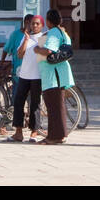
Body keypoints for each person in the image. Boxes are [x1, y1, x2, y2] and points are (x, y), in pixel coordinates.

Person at [35, 9, 74, 144]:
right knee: (58, 106)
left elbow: (48, 50)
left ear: (48, 21)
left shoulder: (53, 33)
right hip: (60, 74)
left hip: (53, 75)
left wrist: (37, 49)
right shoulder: (63, 33)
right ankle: (60, 135)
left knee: (53, 107)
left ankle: (53, 137)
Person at [10, 15, 45, 142]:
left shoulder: (43, 37)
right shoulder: (26, 38)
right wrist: (25, 40)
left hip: (37, 76)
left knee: (35, 104)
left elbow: (42, 57)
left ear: (42, 25)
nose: (34, 26)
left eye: (37, 24)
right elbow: (19, 54)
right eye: (32, 24)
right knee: (18, 102)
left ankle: (34, 132)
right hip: (24, 75)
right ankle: (18, 132)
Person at [0, 13, 31, 135]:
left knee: (33, 101)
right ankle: (4, 124)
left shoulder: (36, 36)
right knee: (15, 100)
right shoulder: (16, 35)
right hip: (18, 73)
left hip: (32, 73)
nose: (31, 25)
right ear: (25, 22)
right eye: (29, 22)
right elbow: (6, 49)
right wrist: (1, 64)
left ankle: (34, 125)